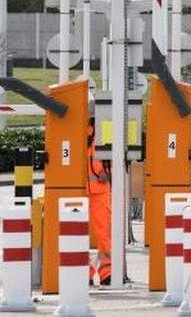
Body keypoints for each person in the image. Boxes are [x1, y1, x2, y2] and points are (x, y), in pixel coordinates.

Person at [87, 114, 112, 286]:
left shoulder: (105, 131)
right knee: (76, 233)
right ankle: (85, 271)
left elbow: (116, 155)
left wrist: (108, 172)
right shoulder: (77, 130)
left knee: (104, 235)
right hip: (79, 190)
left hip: (100, 191)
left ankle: (107, 271)